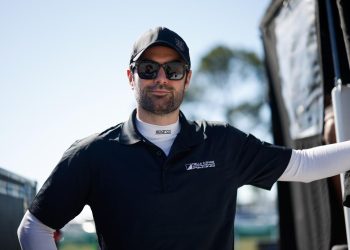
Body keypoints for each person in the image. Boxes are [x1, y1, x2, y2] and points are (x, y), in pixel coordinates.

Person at [17, 26, 350, 250]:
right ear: (130, 77)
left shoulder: (222, 142)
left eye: (173, 70)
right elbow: (34, 227)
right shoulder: (92, 154)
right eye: (148, 69)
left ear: (186, 78)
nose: (161, 79)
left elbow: (304, 164)